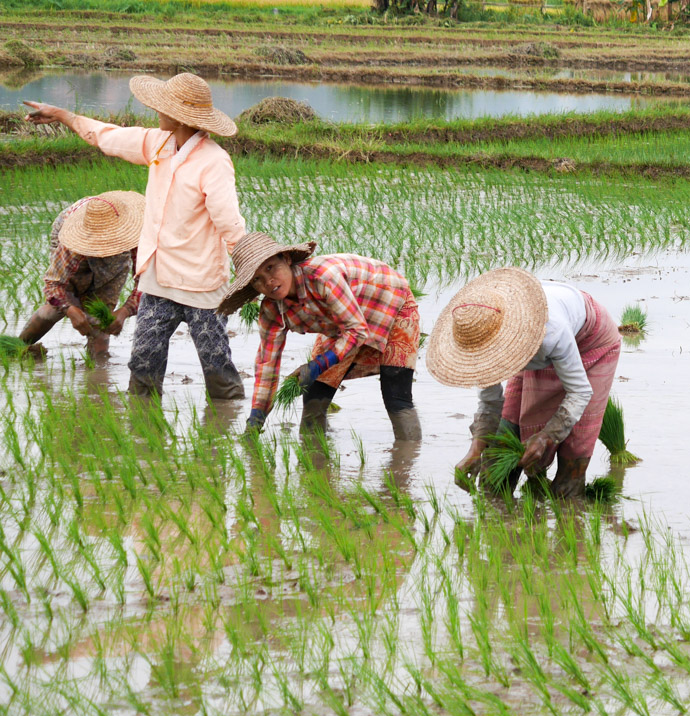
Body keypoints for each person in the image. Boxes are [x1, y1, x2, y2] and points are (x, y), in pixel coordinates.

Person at [24, 73, 246, 400]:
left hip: (201, 284)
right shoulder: (158, 143)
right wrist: (62, 115)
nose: (156, 110)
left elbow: (229, 223)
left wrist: (251, 269)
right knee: (143, 365)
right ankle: (143, 440)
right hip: (158, 282)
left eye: (163, 106)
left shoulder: (214, 162)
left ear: (180, 116)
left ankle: (228, 428)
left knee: (217, 368)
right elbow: (108, 136)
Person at [429, 268, 620, 500]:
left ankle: (567, 506)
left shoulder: (550, 332)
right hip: (538, 343)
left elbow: (579, 392)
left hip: (591, 342)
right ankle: (508, 516)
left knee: (574, 451)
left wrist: (546, 436)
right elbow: (491, 404)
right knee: (503, 444)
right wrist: (475, 449)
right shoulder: (481, 339)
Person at [218, 232, 423, 441]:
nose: (268, 282)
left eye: (271, 268)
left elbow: (356, 331)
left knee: (396, 395)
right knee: (315, 394)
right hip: (344, 322)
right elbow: (267, 365)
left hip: (390, 302)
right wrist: (256, 419)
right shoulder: (271, 311)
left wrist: (316, 365)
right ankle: (316, 457)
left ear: (286, 259)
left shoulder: (323, 277)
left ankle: (406, 461)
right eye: (257, 279)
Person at [17, 192, 145, 356]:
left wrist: (125, 311)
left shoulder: (135, 234)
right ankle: (17, 348)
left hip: (121, 240)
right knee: (58, 306)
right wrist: (69, 309)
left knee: (102, 312)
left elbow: (146, 283)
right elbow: (53, 285)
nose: (103, 250)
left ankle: (97, 367)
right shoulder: (72, 240)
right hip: (70, 228)